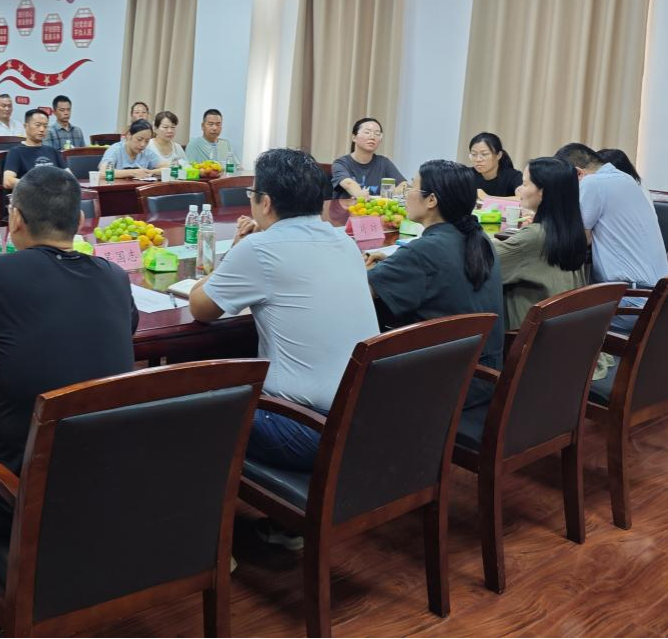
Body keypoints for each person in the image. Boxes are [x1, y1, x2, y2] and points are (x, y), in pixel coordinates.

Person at [0, 166, 137, 540]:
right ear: (81, 222)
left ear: (15, 219)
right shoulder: (114, 275)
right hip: (110, 480)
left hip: (24, 495)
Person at [190, 149, 379, 500]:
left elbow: (201, 308)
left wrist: (235, 253)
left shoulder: (260, 248)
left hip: (308, 427)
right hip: (365, 416)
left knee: (192, 409)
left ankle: (210, 530)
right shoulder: (344, 241)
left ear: (265, 202)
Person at [365, 160, 504, 408]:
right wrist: (396, 265)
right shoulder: (479, 239)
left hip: (443, 385)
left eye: (412, 186)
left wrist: (365, 271)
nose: (406, 194)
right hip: (483, 375)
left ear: (431, 200)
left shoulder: (423, 252)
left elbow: (361, 293)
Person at [555, 142, 667, 330]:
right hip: (657, 300)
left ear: (578, 173)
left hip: (631, 302)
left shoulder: (593, 183)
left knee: (554, 316)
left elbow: (578, 239)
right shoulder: (626, 178)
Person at [494, 158, 589, 330]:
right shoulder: (572, 231)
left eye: (524, 184)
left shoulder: (534, 237)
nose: (519, 189)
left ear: (542, 192)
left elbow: (483, 261)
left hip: (526, 337)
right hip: (562, 331)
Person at [332, 117, 408, 199]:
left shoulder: (384, 162)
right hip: (349, 207)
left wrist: (390, 195)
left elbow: (404, 185)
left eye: (377, 134)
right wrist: (359, 194)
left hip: (377, 207)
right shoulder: (341, 163)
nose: (372, 137)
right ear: (354, 137)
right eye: (367, 132)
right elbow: (348, 183)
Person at [2, 109, 67, 190]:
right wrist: (38, 185)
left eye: (45, 126)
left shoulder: (52, 151)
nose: (42, 129)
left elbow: (69, 176)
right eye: (38, 125)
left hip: (56, 194)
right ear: (25, 126)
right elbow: (8, 181)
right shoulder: (16, 152)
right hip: (32, 194)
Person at [468, 132, 523, 199]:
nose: (478, 159)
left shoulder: (514, 177)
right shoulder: (466, 175)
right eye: (474, 154)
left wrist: (487, 198)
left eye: (484, 154)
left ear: (498, 155)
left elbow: (523, 199)